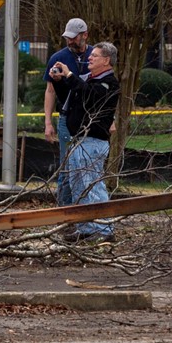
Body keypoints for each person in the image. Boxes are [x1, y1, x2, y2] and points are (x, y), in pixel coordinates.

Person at [49, 41, 120, 243]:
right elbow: (71, 97)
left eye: (94, 56)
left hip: (93, 141)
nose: (89, 58)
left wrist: (71, 76)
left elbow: (90, 96)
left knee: (92, 186)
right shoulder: (89, 78)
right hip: (78, 139)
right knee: (78, 186)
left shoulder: (109, 83)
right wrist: (59, 81)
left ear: (106, 60)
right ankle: (86, 228)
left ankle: (105, 230)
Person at [44, 18, 93, 206]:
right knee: (67, 167)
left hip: (90, 118)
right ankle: (64, 210)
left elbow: (103, 91)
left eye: (73, 38)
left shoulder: (95, 56)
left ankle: (86, 208)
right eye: (67, 38)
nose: (70, 41)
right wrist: (48, 122)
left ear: (85, 35)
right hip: (67, 118)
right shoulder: (58, 58)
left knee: (88, 166)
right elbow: (49, 92)